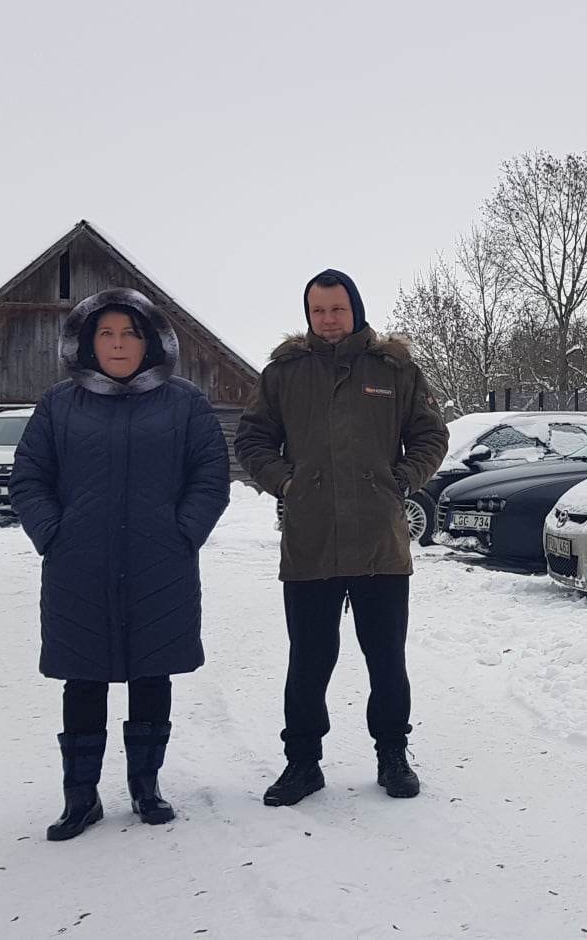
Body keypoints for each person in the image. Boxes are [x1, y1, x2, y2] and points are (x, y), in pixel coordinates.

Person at [10, 288, 231, 842]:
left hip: (161, 563)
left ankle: (145, 786)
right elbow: (29, 478)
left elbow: (210, 476)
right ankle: (80, 797)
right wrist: (54, 535)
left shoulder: (184, 403)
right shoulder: (59, 404)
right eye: (106, 333)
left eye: (129, 333)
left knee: (151, 674)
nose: (117, 344)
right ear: (86, 343)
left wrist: (183, 534)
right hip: (78, 566)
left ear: (151, 341)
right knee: (83, 679)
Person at [235, 270, 448, 806]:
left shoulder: (394, 370)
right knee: (309, 660)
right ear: (308, 314)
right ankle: (302, 763)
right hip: (310, 540)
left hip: (380, 541)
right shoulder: (283, 374)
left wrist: (402, 480)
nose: (328, 320)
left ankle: (392, 754)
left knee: (386, 659)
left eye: (337, 309)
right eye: (318, 311)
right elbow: (253, 439)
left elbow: (430, 435)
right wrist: (286, 483)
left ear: (355, 309)